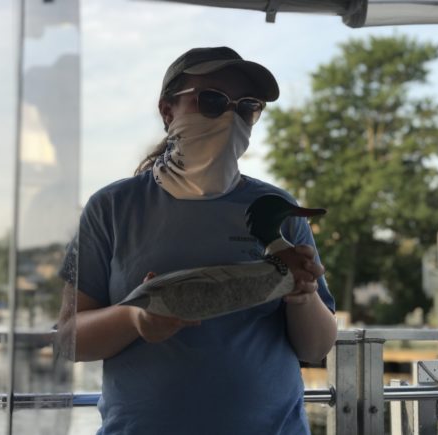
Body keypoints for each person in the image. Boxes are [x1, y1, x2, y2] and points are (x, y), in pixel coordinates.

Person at [57, 46, 337, 435]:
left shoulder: (278, 208)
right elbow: (68, 340)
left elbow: (316, 348)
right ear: (167, 111)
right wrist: (135, 318)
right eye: (212, 100)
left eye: (247, 107)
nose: (230, 116)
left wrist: (304, 296)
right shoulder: (112, 207)